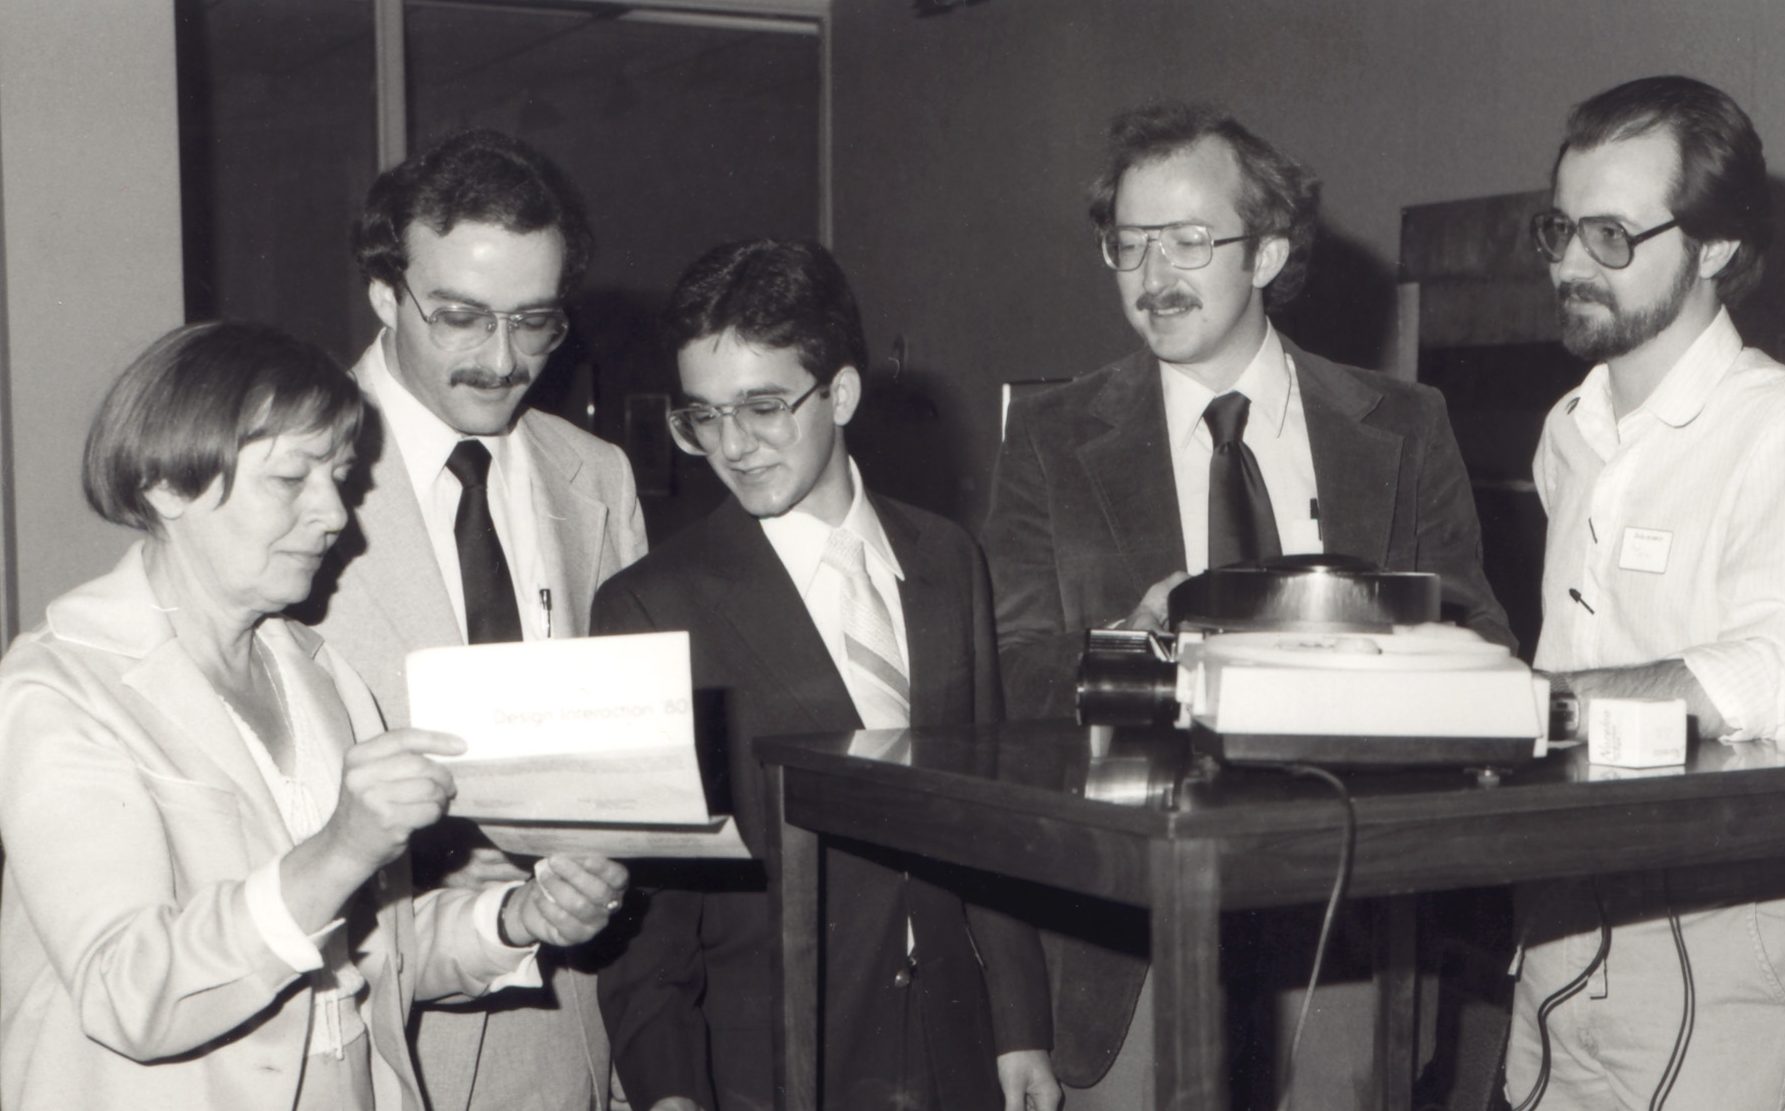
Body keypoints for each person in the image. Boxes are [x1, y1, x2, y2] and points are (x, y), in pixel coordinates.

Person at [978, 102, 1511, 1107]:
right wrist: (1126, 649)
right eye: (1127, 245)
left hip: (1350, 938)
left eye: (1188, 240)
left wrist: (1367, 643)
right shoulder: (1050, 436)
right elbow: (1011, 667)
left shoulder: (1402, 423)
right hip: (1127, 946)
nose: (1152, 276)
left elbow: (1483, 642)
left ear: (1266, 254)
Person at [0, 321, 628, 1111]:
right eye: (292, 477)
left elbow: (370, 952)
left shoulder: (319, 674)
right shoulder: (63, 684)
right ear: (167, 483)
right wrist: (342, 844)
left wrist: (514, 916)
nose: (335, 514)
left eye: (338, 476)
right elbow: (130, 989)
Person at [591, 239, 1059, 1111]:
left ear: (840, 392)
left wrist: (1022, 1022)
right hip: (774, 1065)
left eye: (762, 406)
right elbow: (650, 907)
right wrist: (669, 1094)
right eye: (703, 415)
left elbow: (989, 816)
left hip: (958, 1048)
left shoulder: (948, 558)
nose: (733, 445)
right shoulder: (651, 604)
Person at [1509, 76, 1785, 1110]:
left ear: (1715, 247)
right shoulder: (1567, 433)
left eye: (1611, 236)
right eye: (1559, 230)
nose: (1571, 265)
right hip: (1555, 931)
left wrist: (1537, 707)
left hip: (1719, 946)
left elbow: (1778, 677)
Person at [304, 129, 648, 1111]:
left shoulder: (599, 478)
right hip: (379, 1033)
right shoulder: (287, 480)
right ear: (383, 292)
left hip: (572, 1027)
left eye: (536, 323)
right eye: (460, 317)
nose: (503, 361)